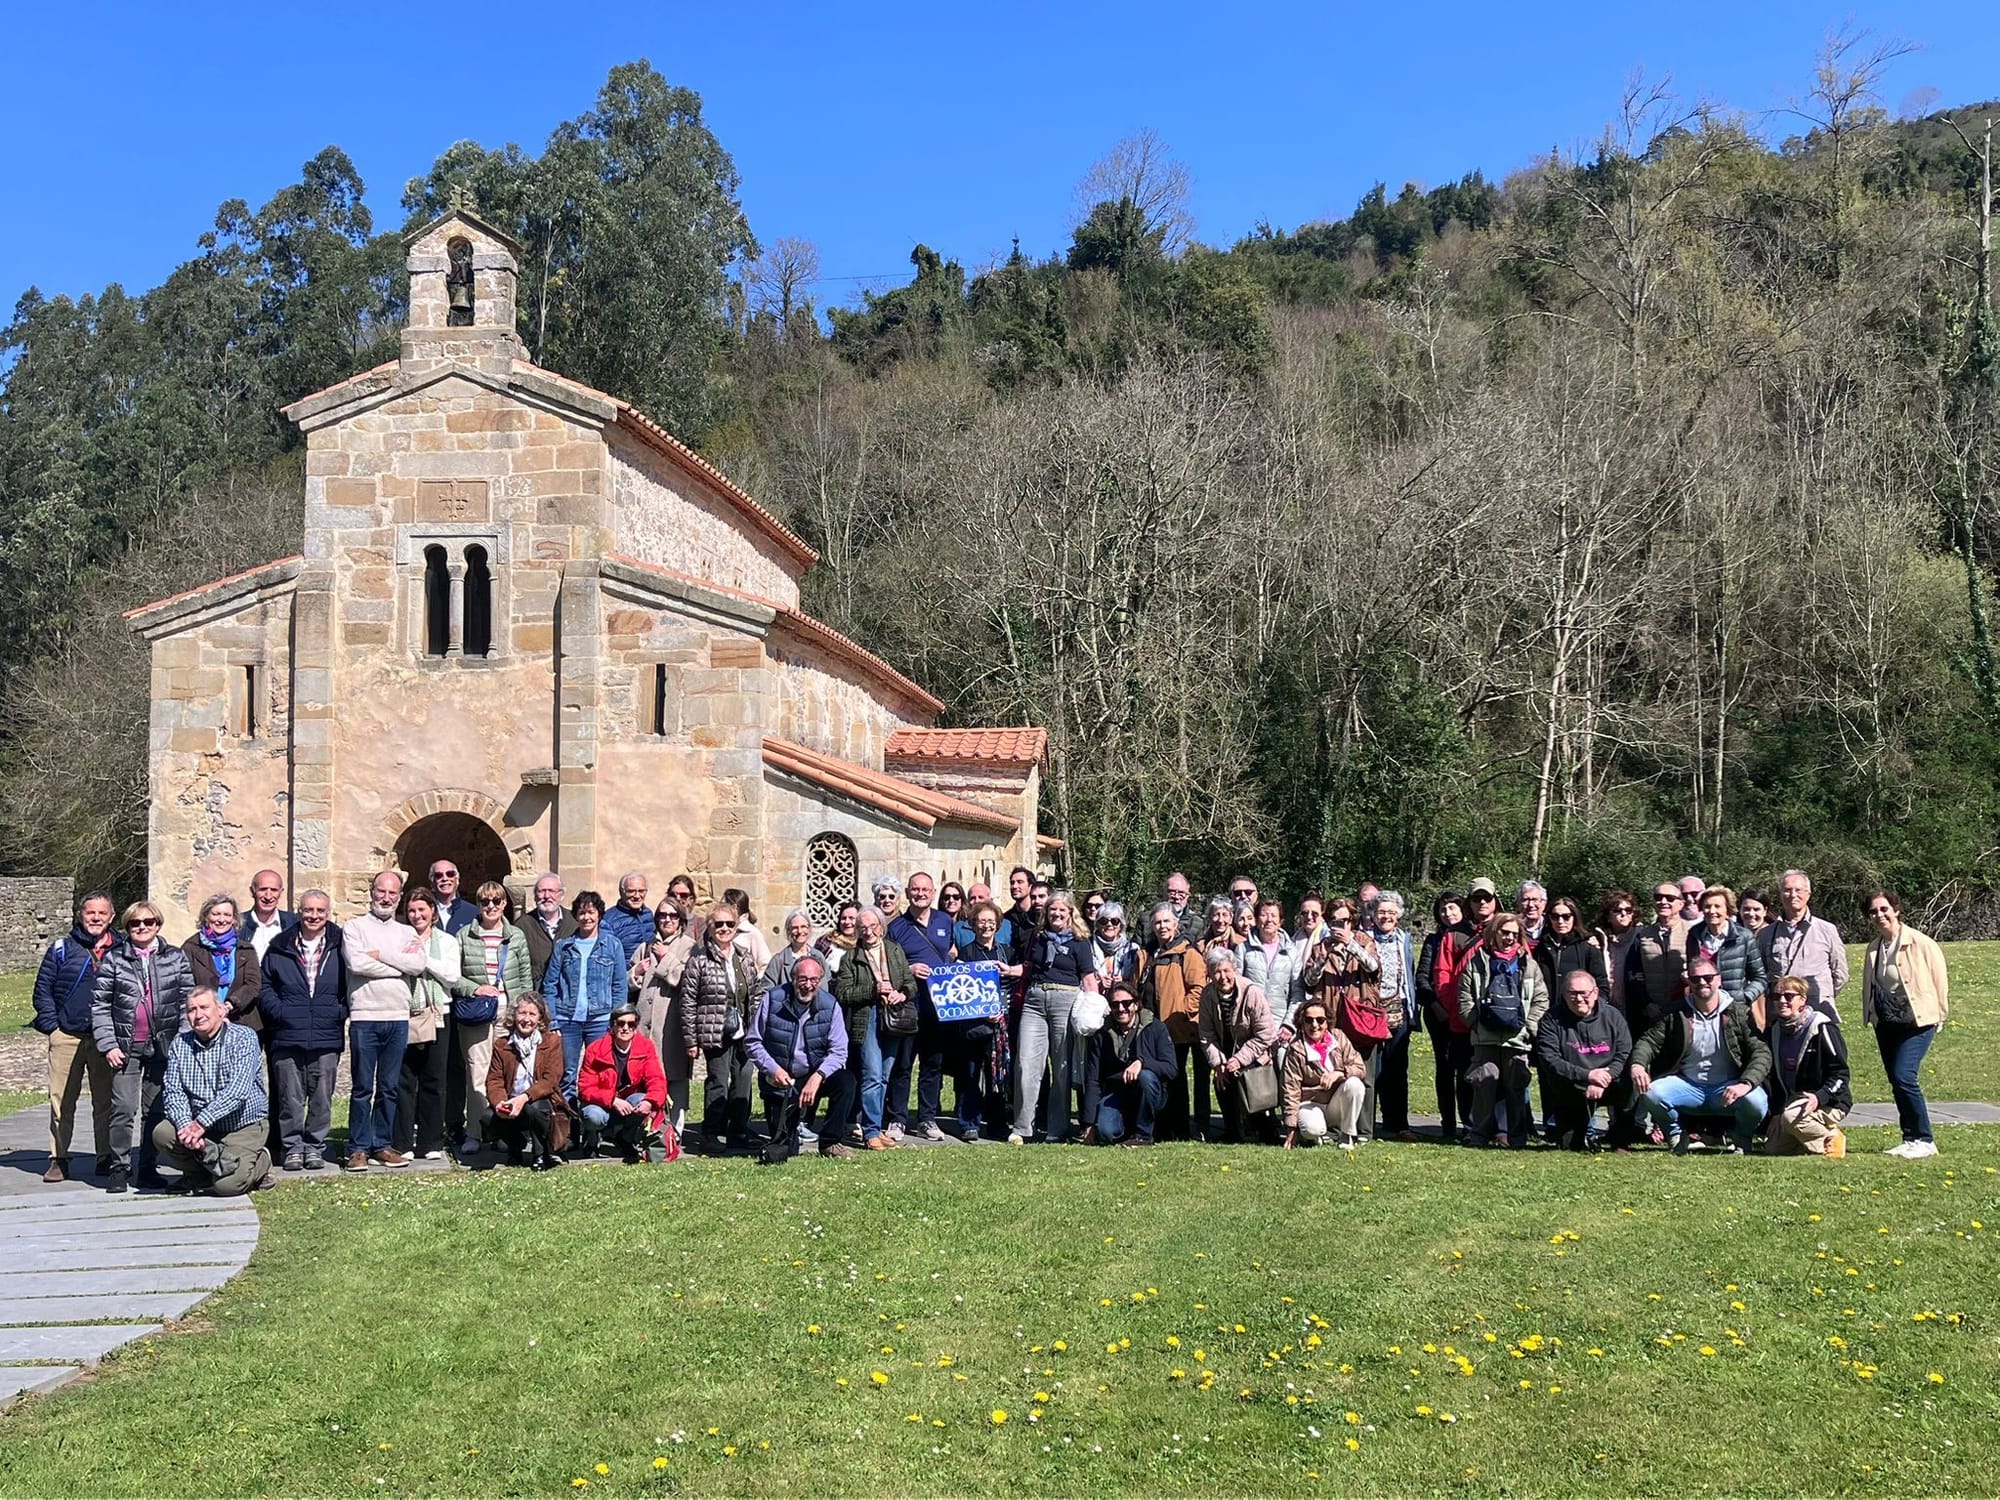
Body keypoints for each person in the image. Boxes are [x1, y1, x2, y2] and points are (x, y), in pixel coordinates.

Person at [93, 900, 197, 1193]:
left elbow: (185, 1001)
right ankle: (119, 1167)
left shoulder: (175, 957)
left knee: (155, 1110)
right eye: (135, 923)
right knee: (123, 1108)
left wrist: (182, 1039)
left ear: (157, 925)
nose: (142, 927)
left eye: (148, 922)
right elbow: (100, 1006)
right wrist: (108, 1044)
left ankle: (147, 1167)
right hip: (126, 1046)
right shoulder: (114, 960)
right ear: (127, 927)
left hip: (164, 1045)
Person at [1630, 954, 1772, 1154]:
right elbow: (1649, 1041)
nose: (1702, 982)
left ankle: (1742, 1137)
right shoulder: (1676, 1012)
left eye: (1708, 977)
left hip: (1728, 1086)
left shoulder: (1739, 1013)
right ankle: (1676, 1136)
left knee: (1756, 1101)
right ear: (1689, 981)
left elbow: (1761, 1052)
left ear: (1719, 979)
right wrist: (1637, 1065)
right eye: (1695, 979)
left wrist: (1745, 1083)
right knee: (1652, 1093)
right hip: (1689, 1086)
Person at [150, 987, 274, 1195]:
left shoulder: (244, 1038)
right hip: (202, 1129)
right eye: (192, 1010)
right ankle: (199, 1174)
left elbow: (237, 1091)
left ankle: (262, 1161)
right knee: (163, 1133)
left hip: (241, 1124)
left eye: (204, 1007)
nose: (198, 1015)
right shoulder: (180, 1044)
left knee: (226, 1186)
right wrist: (186, 1126)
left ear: (220, 1010)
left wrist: (200, 1124)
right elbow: (173, 1092)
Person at [342, 870, 426, 1173]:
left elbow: (417, 965)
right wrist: (396, 966)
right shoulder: (354, 928)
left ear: (399, 897)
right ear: (372, 892)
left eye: (392, 893)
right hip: (366, 1016)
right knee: (363, 1086)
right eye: (381, 891)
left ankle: (382, 1144)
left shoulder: (407, 932)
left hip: (397, 1017)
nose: (386, 898)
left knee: (389, 1086)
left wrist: (381, 955)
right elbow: (356, 962)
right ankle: (358, 1148)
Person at [33, 890, 118, 1184]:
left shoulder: (121, 948)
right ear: (80, 915)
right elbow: (43, 990)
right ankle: (59, 1158)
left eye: (102, 913)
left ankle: (105, 1156)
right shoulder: (61, 949)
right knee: (61, 1100)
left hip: (105, 1038)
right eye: (90, 912)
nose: (96, 918)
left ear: (112, 916)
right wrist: (53, 1028)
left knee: (106, 1101)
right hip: (66, 1035)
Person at [259, 890, 346, 1172]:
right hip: (287, 1033)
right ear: (299, 911)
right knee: (290, 1097)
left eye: (320, 911)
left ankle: (315, 1147)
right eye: (308, 910)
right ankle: (293, 1147)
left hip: (326, 1032)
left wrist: (338, 1011)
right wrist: (281, 1013)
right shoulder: (280, 945)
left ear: (328, 913)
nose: (314, 916)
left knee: (321, 1097)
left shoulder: (341, 944)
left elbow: (351, 984)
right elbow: (265, 985)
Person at [1861, 890, 1949, 1160]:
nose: (1880, 915)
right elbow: (1871, 983)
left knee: (1904, 1076)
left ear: (1896, 910)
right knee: (1896, 1081)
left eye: (1884, 909)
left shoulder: (1920, 943)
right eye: (1874, 912)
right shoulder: (1875, 947)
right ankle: (1910, 1137)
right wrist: (1870, 1014)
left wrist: (1940, 1014)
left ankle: (1925, 1138)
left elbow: (1939, 979)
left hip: (1919, 1021)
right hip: (1887, 1022)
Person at [746, 952, 857, 1161]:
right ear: (793, 979)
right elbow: (753, 1041)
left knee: (846, 1081)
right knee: (785, 1149)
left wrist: (819, 1076)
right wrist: (773, 1069)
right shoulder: (772, 999)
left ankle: (830, 1142)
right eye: (803, 979)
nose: (808, 985)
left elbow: (839, 1051)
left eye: (814, 980)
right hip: (780, 1079)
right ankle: (791, 1133)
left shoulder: (830, 1005)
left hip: (814, 1073)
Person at [1008, 891, 1099, 1146]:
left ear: (1071, 914)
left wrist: (1096, 1010)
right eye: (1052, 911)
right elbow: (1028, 967)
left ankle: (1057, 1128)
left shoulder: (1080, 941)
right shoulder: (1038, 937)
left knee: (1061, 1067)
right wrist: (1009, 970)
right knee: (1026, 1064)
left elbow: (1089, 978)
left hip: (1065, 1000)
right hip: (1034, 999)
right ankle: (1022, 1127)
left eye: (1061, 911)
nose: (1056, 915)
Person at [451, 881, 532, 1157]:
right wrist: (474, 989)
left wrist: (524, 1011)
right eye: (485, 902)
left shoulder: (516, 936)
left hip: (507, 1014)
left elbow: (524, 978)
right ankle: (475, 1131)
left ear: (504, 904)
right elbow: (453, 976)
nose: (491, 907)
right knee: (477, 1073)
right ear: (479, 904)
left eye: (496, 901)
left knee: (506, 1074)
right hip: (476, 1013)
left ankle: (501, 1131)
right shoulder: (465, 935)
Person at [680, 903, 770, 1152]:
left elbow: (756, 993)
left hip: (745, 1030)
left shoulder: (744, 956)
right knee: (718, 1081)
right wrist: (691, 1040)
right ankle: (710, 1133)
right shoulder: (699, 960)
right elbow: (688, 1001)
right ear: (710, 927)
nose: (724, 928)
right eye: (718, 924)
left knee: (742, 1080)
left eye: (729, 924)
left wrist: (758, 1027)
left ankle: (738, 1131)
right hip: (715, 1029)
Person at [1456, 910, 1548, 1149]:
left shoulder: (1529, 965)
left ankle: (1516, 1138)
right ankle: (1479, 1136)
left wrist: (1529, 1027)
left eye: (1514, 934)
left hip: (1517, 1038)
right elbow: (1464, 996)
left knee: (1516, 1087)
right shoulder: (1477, 961)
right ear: (1493, 933)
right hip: (1484, 1038)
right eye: (1504, 932)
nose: (1509, 938)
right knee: (1485, 1083)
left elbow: (1541, 999)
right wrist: (1474, 1022)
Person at [1301, 899, 1385, 1143]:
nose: (1339, 926)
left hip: (1361, 1019)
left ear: (1353, 921)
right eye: (1334, 921)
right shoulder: (1320, 947)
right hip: (1332, 1021)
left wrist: (1351, 946)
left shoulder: (1364, 942)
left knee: (1364, 1077)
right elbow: (1308, 979)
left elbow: (1374, 969)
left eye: (1344, 921)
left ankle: (1365, 1132)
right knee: (1334, 1073)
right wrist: (1325, 954)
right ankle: (1339, 1129)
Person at [832, 907, 915, 1150]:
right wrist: (873, 991)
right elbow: (843, 994)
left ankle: (877, 1128)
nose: (868, 932)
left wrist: (902, 993)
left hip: (894, 1017)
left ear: (881, 926)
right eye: (863, 928)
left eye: (873, 926)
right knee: (871, 1074)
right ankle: (869, 1132)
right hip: (867, 1018)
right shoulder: (851, 958)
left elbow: (910, 982)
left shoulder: (894, 950)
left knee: (884, 1076)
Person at [393, 886, 461, 1161]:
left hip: (438, 1013)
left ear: (433, 911)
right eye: (411, 910)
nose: (417, 915)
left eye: (422, 909)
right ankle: (403, 1140)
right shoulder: (399, 938)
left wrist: (423, 958)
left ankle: (431, 1142)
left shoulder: (446, 941)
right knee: (405, 1079)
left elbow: (452, 976)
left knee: (434, 1079)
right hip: (406, 1013)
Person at [888, 871, 957, 1142]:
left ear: (933, 891)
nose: (920, 894)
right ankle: (897, 1119)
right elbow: (890, 965)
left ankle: (927, 1119)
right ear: (907, 893)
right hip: (910, 1004)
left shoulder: (943, 920)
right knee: (903, 1063)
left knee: (932, 1063)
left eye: (925, 890)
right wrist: (909, 968)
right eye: (915, 890)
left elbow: (950, 953)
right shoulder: (897, 927)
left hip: (938, 1005)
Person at [1532, 971, 1632, 1151]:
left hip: (1609, 1081)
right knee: (1570, 1146)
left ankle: (1620, 1139)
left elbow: (1624, 1052)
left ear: (1595, 993)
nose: (1579, 999)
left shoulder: (1613, 1016)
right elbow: (1550, 1059)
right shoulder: (1551, 1019)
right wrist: (1588, 1076)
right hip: (1572, 1085)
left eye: (1583, 993)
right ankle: (1575, 1135)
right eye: (1572, 993)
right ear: (1564, 994)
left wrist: (1604, 1078)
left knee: (1631, 1081)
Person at [542, 891, 624, 1102]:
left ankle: (593, 1125)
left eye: (591, 912)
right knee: (567, 1075)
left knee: (599, 1073)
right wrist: (553, 1021)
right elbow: (550, 985)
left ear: (599, 915)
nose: (586, 917)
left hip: (600, 1020)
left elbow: (619, 986)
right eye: (581, 913)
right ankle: (568, 1127)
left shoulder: (612, 945)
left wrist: (614, 1021)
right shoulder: (564, 946)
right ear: (576, 916)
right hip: (568, 1020)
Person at [1136, 902, 1209, 1140]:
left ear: (1176, 925)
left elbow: (1198, 989)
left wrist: (1181, 1013)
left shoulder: (1187, 954)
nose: (1162, 926)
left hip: (1175, 1028)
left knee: (1174, 1080)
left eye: (1167, 921)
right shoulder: (1145, 955)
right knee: (1152, 1076)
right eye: (1157, 922)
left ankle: (1179, 1129)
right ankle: (1156, 1127)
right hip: (1148, 1027)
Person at [1080, 980, 1178, 1146]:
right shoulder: (1101, 1035)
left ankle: (1143, 1136)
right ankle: (1126, 1128)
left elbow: (1171, 1068)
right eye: (1115, 1004)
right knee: (1106, 1133)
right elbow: (1093, 1080)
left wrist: (1142, 1062)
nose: (1121, 1009)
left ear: (1136, 1004)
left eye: (1126, 1003)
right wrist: (1088, 1123)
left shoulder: (1156, 1027)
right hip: (1116, 1093)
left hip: (1149, 1093)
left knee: (1145, 1076)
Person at [954, 900, 1021, 1140]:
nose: (986, 926)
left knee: (998, 1076)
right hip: (973, 1025)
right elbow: (959, 991)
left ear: (998, 925)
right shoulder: (966, 953)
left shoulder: (1007, 952)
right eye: (981, 921)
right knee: (970, 1075)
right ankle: (968, 1123)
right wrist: (983, 1012)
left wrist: (1001, 1012)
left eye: (991, 922)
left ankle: (997, 1123)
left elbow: (1014, 986)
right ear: (973, 924)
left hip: (1000, 1026)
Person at [1765, 976, 1852, 1158]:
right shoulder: (1774, 1031)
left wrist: (1819, 1098)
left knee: (1790, 1118)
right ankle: (1812, 1140)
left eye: (1789, 996)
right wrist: (1776, 1112)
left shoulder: (1822, 1028)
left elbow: (1841, 1074)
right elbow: (1773, 1076)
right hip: (1793, 1102)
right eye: (1776, 996)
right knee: (1773, 1148)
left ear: (1802, 1000)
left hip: (1829, 1101)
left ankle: (1831, 1137)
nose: (1782, 1001)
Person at [1198, 947, 1278, 1145]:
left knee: (1250, 1083)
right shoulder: (1207, 995)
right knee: (1221, 1081)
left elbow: (1265, 1034)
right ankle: (1232, 1131)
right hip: (1225, 1052)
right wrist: (1218, 1061)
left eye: (1226, 970)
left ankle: (1267, 1132)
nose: (1222, 976)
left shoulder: (1252, 993)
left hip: (1254, 1053)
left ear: (1234, 969)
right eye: (1216, 971)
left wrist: (1240, 1059)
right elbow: (1206, 1034)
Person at [631, 899, 697, 1130]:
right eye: (662, 915)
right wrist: (635, 973)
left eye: (672, 916)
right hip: (645, 1025)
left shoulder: (691, 947)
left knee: (675, 1076)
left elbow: (687, 979)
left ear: (680, 920)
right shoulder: (645, 945)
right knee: (646, 1076)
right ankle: (648, 1129)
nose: (667, 920)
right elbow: (630, 980)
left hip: (672, 1025)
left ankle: (675, 1131)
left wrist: (666, 957)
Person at [1415, 890, 1475, 1143]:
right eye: (1442, 909)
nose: (1447, 913)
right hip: (1438, 1013)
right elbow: (1423, 978)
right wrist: (1436, 1006)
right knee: (1444, 1067)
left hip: (1464, 1013)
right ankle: (1447, 1121)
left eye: (1452, 908)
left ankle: (1468, 1121)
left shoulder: (1472, 936)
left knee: (1465, 1069)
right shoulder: (1432, 940)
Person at [577, 1005, 669, 1162]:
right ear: (612, 1025)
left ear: (636, 1026)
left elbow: (657, 1081)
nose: (625, 1028)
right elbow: (585, 1088)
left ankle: (625, 1137)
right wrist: (612, 1099)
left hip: (630, 1102)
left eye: (631, 1024)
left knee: (643, 1101)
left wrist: (649, 1101)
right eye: (620, 1023)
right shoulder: (595, 1049)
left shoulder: (646, 1047)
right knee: (593, 1116)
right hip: (601, 1104)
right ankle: (592, 1136)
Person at [484, 995, 567, 1169]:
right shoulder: (502, 1044)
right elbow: (494, 1080)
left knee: (534, 1108)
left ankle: (540, 1154)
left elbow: (550, 1080)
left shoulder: (551, 1041)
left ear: (540, 1018)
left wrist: (523, 1098)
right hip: (511, 1101)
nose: (526, 1019)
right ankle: (515, 1148)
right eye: (522, 1013)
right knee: (487, 1118)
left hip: (541, 1101)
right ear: (514, 1016)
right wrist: (500, 1103)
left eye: (532, 1014)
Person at [1367, 892, 1420, 1143]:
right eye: (1381, 912)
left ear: (1398, 915)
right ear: (1373, 915)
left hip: (1400, 1010)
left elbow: (1408, 974)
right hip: (1372, 1013)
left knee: (1397, 1070)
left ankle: (1398, 1124)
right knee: (1373, 1070)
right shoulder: (1364, 939)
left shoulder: (1404, 939)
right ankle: (1366, 1124)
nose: (1385, 916)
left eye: (1390, 912)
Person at [1760, 869, 1848, 1018]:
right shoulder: (1767, 934)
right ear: (1781, 895)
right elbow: (1761, 974)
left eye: (1798, 890)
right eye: (1787, 890)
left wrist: (1824, 995)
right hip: (1781, 1016)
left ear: (1808, 894)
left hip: (1818, 1012)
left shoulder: (1827, 930)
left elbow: (1841, 973)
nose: (1793, 895)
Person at [1280, 999, 1366, 1150]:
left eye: (1320, 1020)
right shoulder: (1295, 1049)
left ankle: (1346, 1136)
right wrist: (1291, 1129)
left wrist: (1339, 1073)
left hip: (1335, 1103)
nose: (1314, 1025)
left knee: (1355, 1085)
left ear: (1327, 1022)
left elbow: (1360, 1067)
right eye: (1309, 1020)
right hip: (1309, 1103)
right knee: (1312, 1129)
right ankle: (1316, 1135)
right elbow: (1290, 1090)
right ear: (1301, 1023)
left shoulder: (1339, 1038)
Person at [182, 895, 265, 1037]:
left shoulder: (245, 950)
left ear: (234, 919)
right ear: (206, 917)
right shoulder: (191, 948)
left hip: (242, 1022)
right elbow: (185, 986)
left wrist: (229, 1005)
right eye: (216, 914)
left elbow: (253, 984)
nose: (221, 920)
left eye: (227, 915)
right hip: (203, 1024)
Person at [1685, 886, 1767, 1025]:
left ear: (1727, 910)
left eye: (1717, 906)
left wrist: (1744, 998)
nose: (1712, 911)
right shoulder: (1694, 936)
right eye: (1707, 906)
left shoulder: (1744, 937)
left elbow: (1760, 978)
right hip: (1701, 1010)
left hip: (1734, 1012)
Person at [1624, 883, 1691, 1039]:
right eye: (1658, 897)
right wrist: (1647, 1003)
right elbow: (1633, 974)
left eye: (1670, 898)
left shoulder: (1692, 933)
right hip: (1652, 1012)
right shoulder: (1642, 935)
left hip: (1685, 1009)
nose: (1663, 901)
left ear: (1681, 904)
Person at [1238, 898, 1304, 1033]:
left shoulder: (1292, 952)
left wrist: (1289, 1024)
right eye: (1264, 915)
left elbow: (1298, 993)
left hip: (1280, 1026)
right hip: (1250, 1024)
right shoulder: (1243, 949)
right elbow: (1236, 988)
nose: (1269, 920)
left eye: (1273, 915)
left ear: (1280, 922)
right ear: (1256, 920)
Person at [521, 873, 576, 989]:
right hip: (536, 995)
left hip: (569, 995)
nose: (547, 896)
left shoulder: (575, 923)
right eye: (542, 891)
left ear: (561, 895)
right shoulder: (523, 925)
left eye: (552, 891)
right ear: (535, 896)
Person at [1591, 890, 1640, 1015]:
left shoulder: (1641, 938)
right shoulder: (1599, 940)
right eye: (1617, 910)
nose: (1623, 914)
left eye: (1628, 910)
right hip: (1606, 1005)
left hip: (1634, 1005)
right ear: (1608, 916)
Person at [238, 870, 295, 960]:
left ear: (281, 893)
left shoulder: (293, 923)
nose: (268, 896)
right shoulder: (238, 924)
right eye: (263, 889)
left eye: (274, 890)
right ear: (252, 891)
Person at [601, 873, 655, 967]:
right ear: (622, 892)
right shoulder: (608, 920)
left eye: (641, 891)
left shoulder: (648, 914)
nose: (637, 896)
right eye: (631, 891)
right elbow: (605, 957)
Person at [766, 910, 818, 990]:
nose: (800, 931)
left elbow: (826, 990)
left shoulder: (818, 957)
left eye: (803, 926)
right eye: (795, 928)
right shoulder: (778, 961)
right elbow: (766, 992)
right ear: (789, 931)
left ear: (809, 928)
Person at [426, 860, 479, 934]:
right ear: (432, 882)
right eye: (438, 875)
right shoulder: (424, 912)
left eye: (450, 874)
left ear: (457, 880)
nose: (445, 879)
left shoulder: (473, 913)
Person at [816, 901, 861, 975]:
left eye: (851, 918)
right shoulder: (826, 941)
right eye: (843, 918)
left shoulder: (864, 943)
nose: (846, 922)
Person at [1157, 872, 1199, 948]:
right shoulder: (1146, 920)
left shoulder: (1198, 924)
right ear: (1163, 893)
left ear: (1187, 896)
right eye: (1171, 892)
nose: (1176, 897)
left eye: (1181, 893)